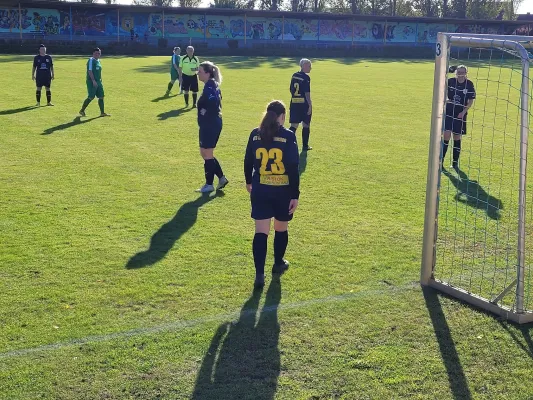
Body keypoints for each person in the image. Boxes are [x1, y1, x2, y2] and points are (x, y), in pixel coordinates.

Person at [244, 100, 300, 289]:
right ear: (282, 116)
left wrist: (249, 181)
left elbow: (248, 160)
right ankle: (278, 263)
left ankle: (259, 274)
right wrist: (295, 194)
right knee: (280, 228)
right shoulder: (288, 136)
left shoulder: (255, 134)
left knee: (261, 232)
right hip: (282, 191)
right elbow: (293, 167)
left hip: (261, 189)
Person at [196, 61, 228, 193]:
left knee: (207, 153)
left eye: (200, 71)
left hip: (210, 124)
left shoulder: (209, 87)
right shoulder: (211, 85)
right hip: (210, 123)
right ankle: (221, 178)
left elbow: (214, 102)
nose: (198, 73)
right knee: (205, 153)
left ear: (208, 73)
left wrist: (207, 112)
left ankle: (209, 185)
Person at [443, 65, 476, 171]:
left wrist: (464, 111)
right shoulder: (450, 81)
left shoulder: (469, 84)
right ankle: (441, 162)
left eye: (463, 72)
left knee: (457, 137)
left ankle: (454, 163)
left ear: (466, 72)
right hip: (449, 111)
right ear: (456, 72)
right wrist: (446, 100)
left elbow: (471, 100)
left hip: (460, 113)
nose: (460, 74)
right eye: (459, 72)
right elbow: (442, 93)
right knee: (446, 135)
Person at [289, 58, 312, 151]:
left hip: (294, 103)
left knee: (294, 125)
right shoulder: (306, 78)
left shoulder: (294, 75)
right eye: (309, 66)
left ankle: (287, 143)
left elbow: (291, 89)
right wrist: (310, 105)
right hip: (303, 104)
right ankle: (305, 146)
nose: (311, 68)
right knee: (306, 124)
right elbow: (307, 93)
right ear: (304, 66)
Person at [79, 47, 110, 117]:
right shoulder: (91, 60)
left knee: (101, 96)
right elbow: (90, 71)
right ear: (93, 53)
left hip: (99, 81)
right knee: (91, 97)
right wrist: (93, 81)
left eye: (99, 53)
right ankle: (82, 110)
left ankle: (102, 113)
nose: (97, 55)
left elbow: (98, 71)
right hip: (91, 81)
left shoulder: (98, 61)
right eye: (96, 53)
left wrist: (100, 80)